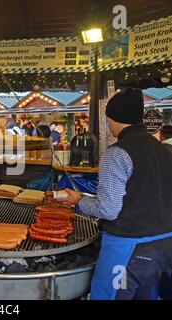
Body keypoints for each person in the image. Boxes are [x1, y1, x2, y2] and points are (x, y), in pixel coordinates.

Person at [59, 88, 172, 300]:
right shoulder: (165, 151)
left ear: (112, 118)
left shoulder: (116, 154)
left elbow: (108, 210)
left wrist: (79, 199)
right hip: (165, 245)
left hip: (129, 249)